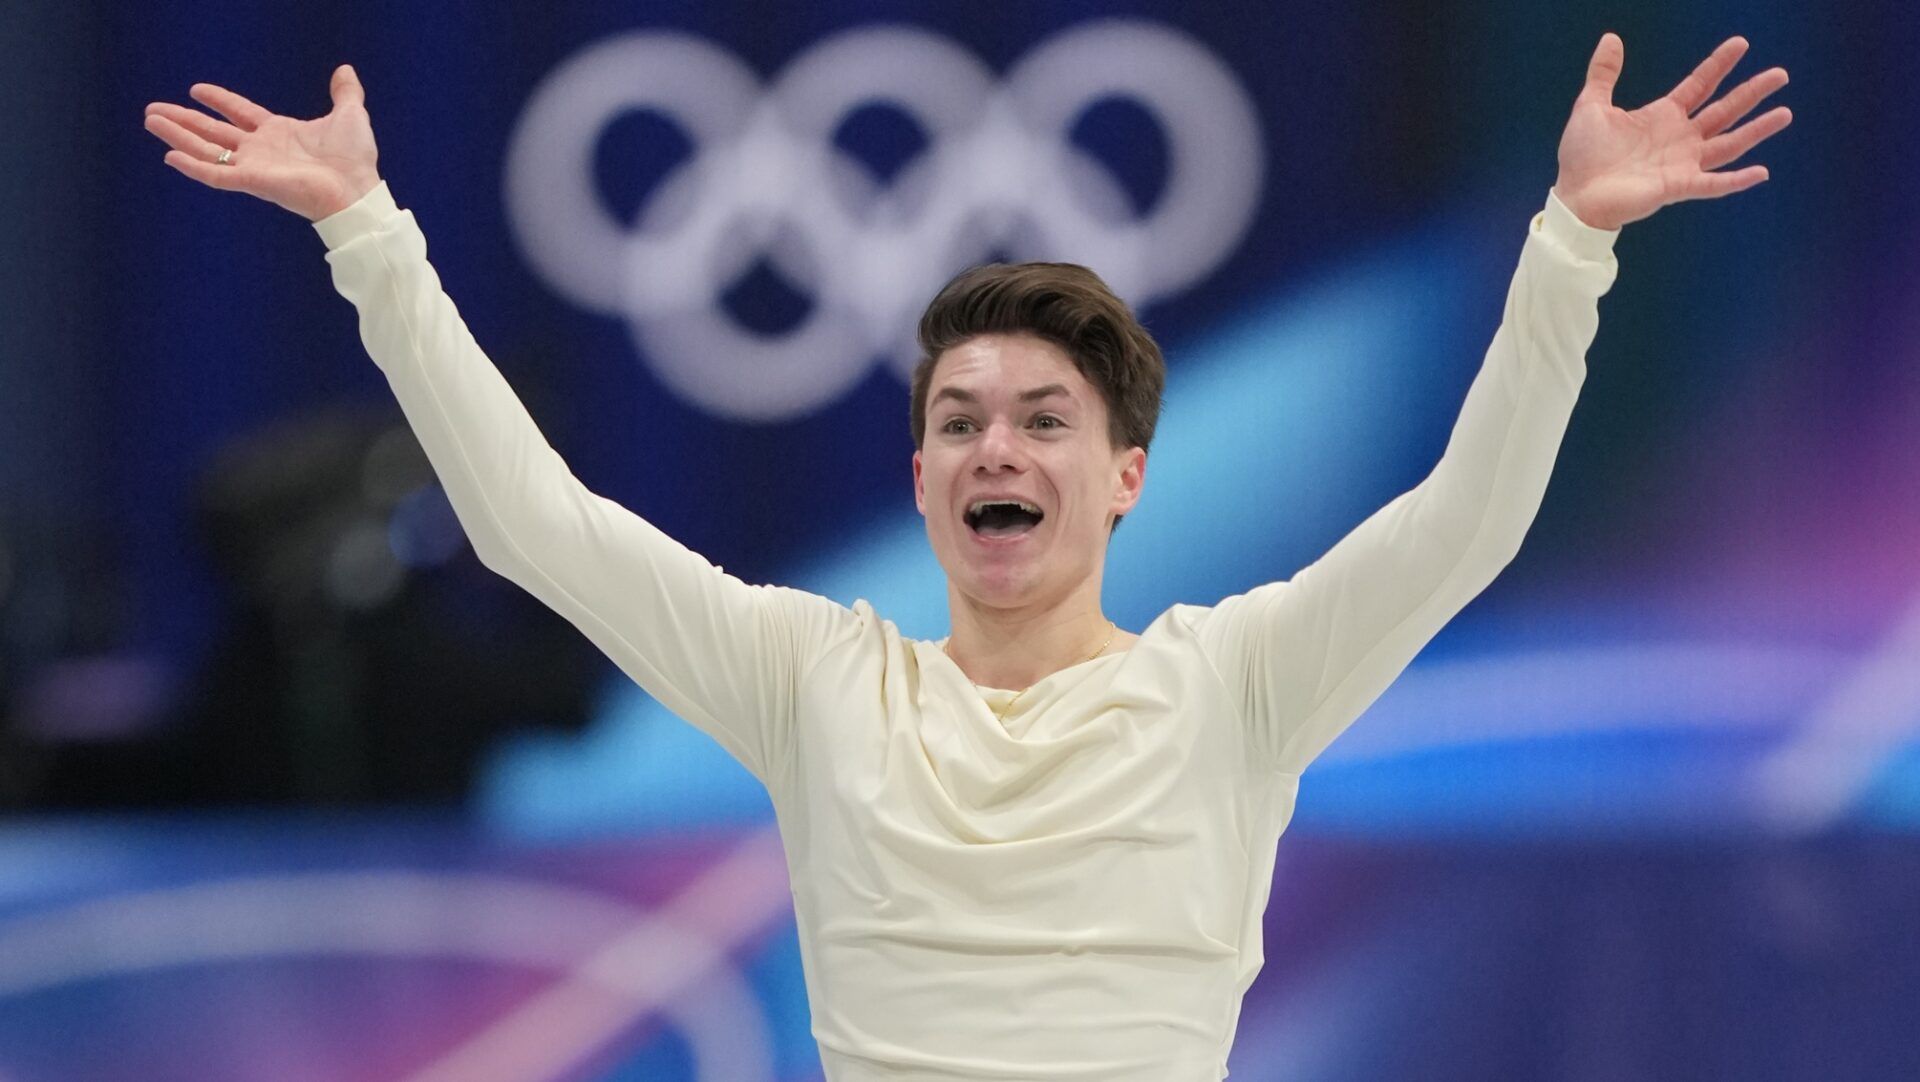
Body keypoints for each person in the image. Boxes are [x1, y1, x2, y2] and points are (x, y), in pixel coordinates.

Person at [143, 32, 1789, 1081]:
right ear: (918, 477)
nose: (999, 446)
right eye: (963, 420)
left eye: (1045, 419)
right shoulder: (813, 679)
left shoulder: (1240, 682)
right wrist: (372, 234)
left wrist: (1572, 247)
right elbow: (532, 524)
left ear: (1131, 476)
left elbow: (1469, 520)